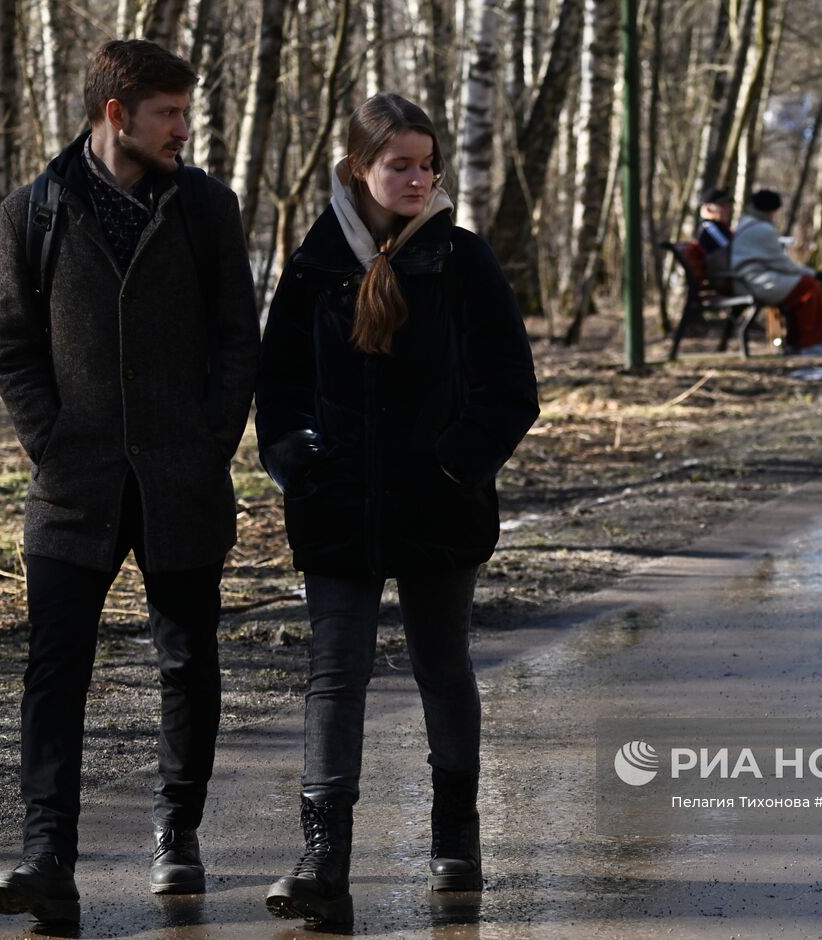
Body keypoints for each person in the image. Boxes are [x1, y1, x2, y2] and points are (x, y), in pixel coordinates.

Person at [0, 40, 258, 923]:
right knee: (55, 668)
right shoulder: (36, 209)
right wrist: (53, 446)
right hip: (74, 485)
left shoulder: (209, 208)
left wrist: (211, 439)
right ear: (117, 116)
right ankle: (45, 855)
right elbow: (13, 347)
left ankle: (177, 837)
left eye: (186, 111)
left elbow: (237, 339)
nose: (184, 128)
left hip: (182, 479)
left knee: (189, 662)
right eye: (169, 114)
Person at [255, 93, 539, 925]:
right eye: (399, 164)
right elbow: (277, 387)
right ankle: (322, 856)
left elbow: (510, 388)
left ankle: (455, 835)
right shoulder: (313, 265)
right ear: (359, 170)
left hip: (438, 509)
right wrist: (295, 460)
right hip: (337, 509)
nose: (418, 178)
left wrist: (457, 463)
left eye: (427, 163)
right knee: (333, 674)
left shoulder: (463, 260)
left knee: (440, 666)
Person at [730, 188, 822, 355]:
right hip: (753, 281)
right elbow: (781, 263)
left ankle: (821, 337)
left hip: (750, 278)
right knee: (808, 287)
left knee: (803, 288)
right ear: (771, 210)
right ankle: (810, 342)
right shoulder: (761, 229)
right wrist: (815, 273)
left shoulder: (748, 223)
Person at [694, 186, 737, 293]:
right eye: (722, 206)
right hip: (723, 281)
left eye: (727, 206)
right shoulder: (709, 228)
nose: (727, 209)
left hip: (728, 278)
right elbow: (732, 249)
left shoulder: (718, 227)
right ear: (708, 208)